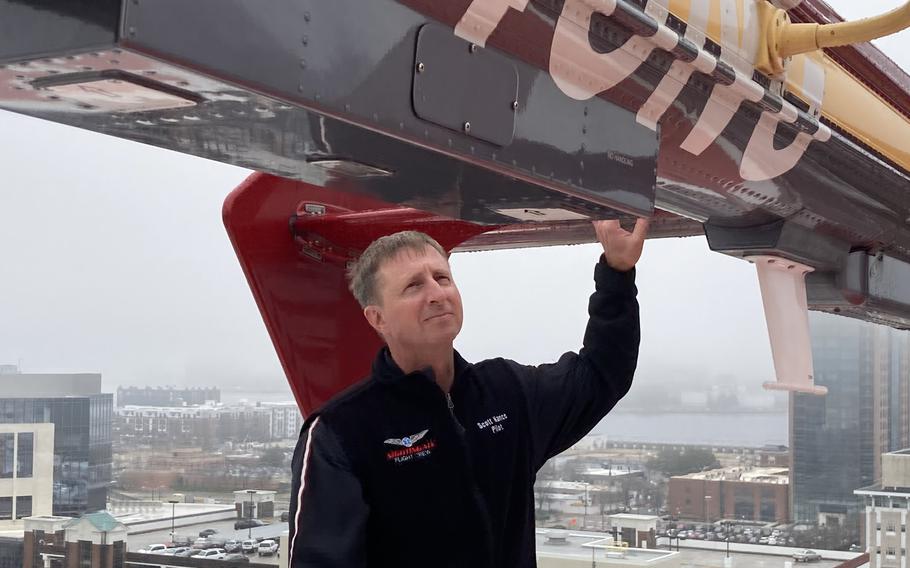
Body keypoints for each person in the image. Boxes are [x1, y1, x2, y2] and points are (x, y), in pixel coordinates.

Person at [288, 219, 649, 567]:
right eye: (414, 286)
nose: (436, 293)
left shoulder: (507, 393)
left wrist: (616, 274)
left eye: (442, 277)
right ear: (376, 318)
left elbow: (601, 375)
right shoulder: (340, 432)